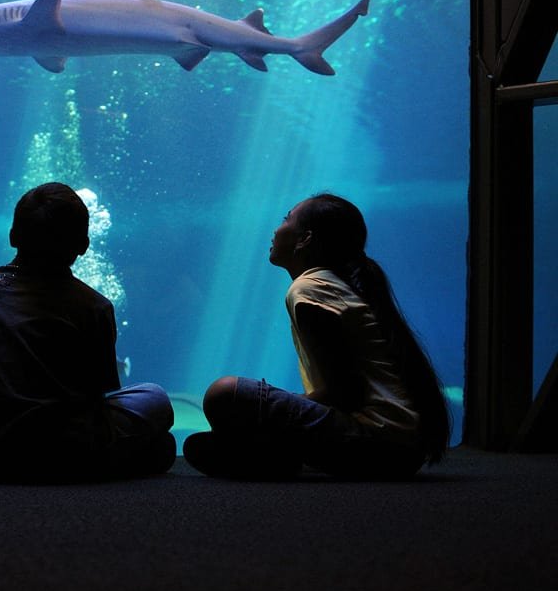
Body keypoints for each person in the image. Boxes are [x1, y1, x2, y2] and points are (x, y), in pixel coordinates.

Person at [183, 193, 450, 480]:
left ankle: (273, 452)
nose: (276, 229)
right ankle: (275, 453)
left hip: (379, 444)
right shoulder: (332, 284)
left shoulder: (309, 288)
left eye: (286, 219)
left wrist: (276, 410)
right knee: (230, 416)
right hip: (399, 448)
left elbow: (345, 393)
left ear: (304, 239)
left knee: (224, 393)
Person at [0, 182, 176, 483]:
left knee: (155, 442)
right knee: (155, 399)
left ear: (13, 236)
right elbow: (96, 398)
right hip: (61, 455)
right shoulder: (94, 306)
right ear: (84, 245)